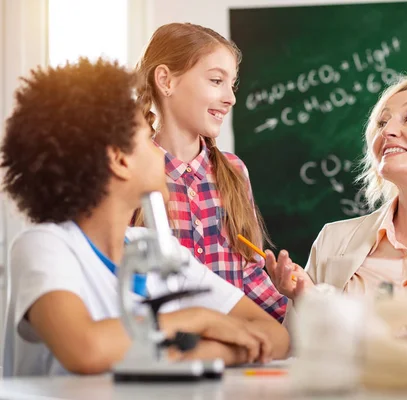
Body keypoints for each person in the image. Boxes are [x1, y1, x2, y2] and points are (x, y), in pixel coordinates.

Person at [1, 58, 289, 377]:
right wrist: (198, 319)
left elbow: (274, 335)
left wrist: (194, 354)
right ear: (120, 159)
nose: (160, 152)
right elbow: (86, 348)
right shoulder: (45, 245)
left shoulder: (156, 250)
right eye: (148, 138)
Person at [267, 75, 407, 324]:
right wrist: (307, 301)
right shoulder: (332, 242)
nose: (387, 131)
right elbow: (299, 353)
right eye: (382, 122)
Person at [134, 23, 287, 321]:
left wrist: (293, 306)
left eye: (232, 84)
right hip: (165, 351)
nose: (230, 97)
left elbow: (250, 273)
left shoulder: (233, 171)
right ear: (166, 80)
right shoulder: (131, 171)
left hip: (233, 354)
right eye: (216, 80)